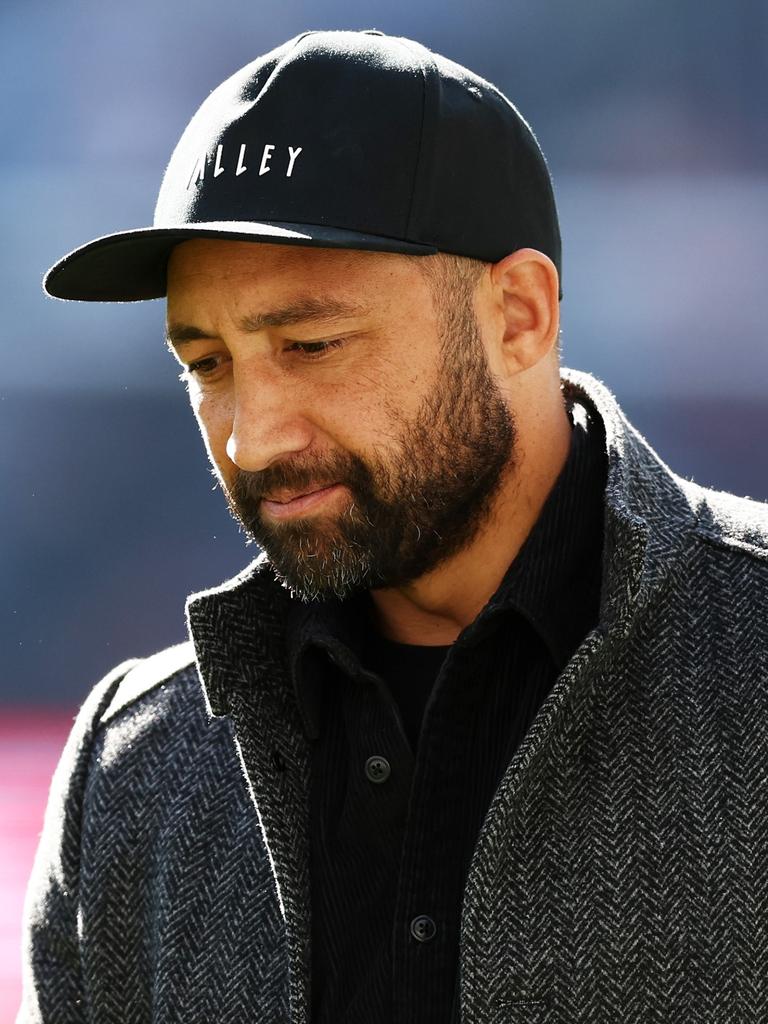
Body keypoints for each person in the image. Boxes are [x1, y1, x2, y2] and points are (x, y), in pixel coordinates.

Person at [19, 28, 768, 1024]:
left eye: (313, 343)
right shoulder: (135, 767)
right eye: (207, 363)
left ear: (519, 315)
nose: (252, 436)